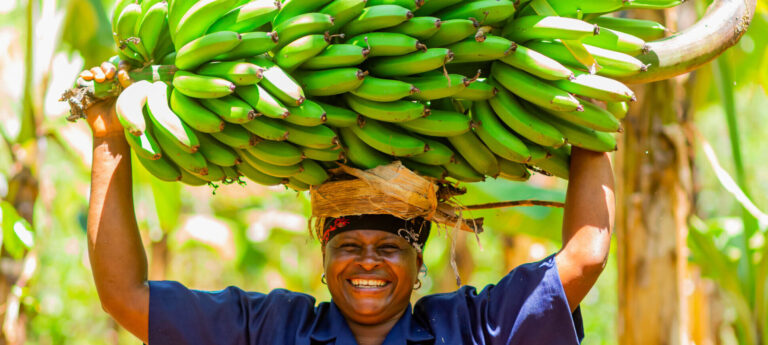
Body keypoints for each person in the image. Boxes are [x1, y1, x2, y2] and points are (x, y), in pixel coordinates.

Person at [83, 63, 614, 345]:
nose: (366, 260)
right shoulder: (270, 332)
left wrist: (589, 116)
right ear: (323, 253)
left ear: (416, 262)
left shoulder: (469, 330)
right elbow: (124, 297)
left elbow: (585, 258)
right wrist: (108, 136)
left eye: (388, 246)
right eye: (349, 244)